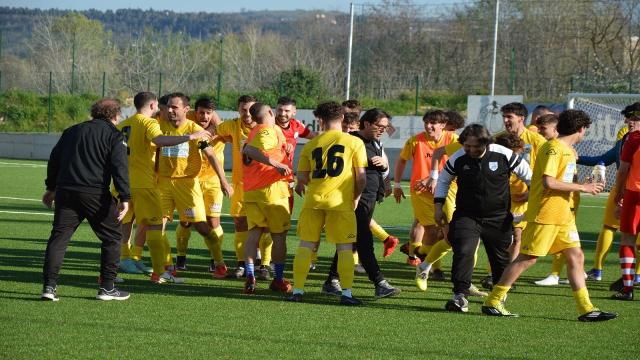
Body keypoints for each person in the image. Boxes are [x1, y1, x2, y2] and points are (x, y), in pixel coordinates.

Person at [482, 110, 617, 322]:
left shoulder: (568, 150)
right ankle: (494, 300)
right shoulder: (553, 149)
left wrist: (583, 184)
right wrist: (583, 187)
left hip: (563, 215)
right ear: (581, 129)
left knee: (576, 256)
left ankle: (586, 308)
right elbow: (549, 182)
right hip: (545, 214)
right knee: (528, 258)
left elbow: (562, 180)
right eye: (584, 131)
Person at [116, 92, 214, 284]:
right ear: (153, 106)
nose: (165, 111)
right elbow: (159, 140)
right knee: (154, 225)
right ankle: (159, 272)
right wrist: (190, 136)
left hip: (122, 182)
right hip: (144, 183)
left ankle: (125, 259)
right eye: (161, 108)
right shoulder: (149, 124)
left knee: (124, 222)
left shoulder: (124, 124)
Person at [433, 124, 532, 312]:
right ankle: (460, 296)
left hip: (498, 217)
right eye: (467, 146)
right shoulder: (458, 158)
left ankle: (498, 296)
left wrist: (531, 201)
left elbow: (530, 178)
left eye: (475, 147)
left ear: (486, 143)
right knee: (463, 250)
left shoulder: (504, 154)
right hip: (466, 215)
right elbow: (444, 180)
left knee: (500, 257)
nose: (470, 150)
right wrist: (438, 207)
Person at [41, 98, 130, 301]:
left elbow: (54, 159)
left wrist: (51, 188)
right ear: (116, 116)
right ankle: (107, 288)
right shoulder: (114, 135)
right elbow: (120, 167)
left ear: (94, 113)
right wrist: (125, 196)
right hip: (95, 193)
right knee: (113, 237)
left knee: (59, 238)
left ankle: (49, 287)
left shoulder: (72, 131)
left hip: (66, 191)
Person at [288, 101, 367, 305]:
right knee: (345, 248)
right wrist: (356, 196)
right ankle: (347, 294)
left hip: (313, 201)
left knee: (306, 245)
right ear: (342, 118)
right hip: (340, 203)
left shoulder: (312, 144)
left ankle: (297, 291)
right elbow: (361, 178)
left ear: (319, 120)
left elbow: (302, 177)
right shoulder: (354, 142)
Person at [321, 108, 401, 299]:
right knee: (363, 240)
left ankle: (331, 281)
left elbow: (382, 164)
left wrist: (386, 178)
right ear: (366, 123)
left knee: (351, 241)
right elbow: (342, 167)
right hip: (355, 197)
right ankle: (379, 282)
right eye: (379, 126)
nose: (383, 130)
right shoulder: (351, 140)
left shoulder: (375, 142)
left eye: (385, 127)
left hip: (370, 196)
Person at [156, 93, 232, 283]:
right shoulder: (159, 125)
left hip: (187, 184)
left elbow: (212, 155)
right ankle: (167, 266)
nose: (170, 110)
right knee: (158, 227)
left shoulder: (195, 129)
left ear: (185, 109)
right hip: (163, 183)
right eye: (168, 107)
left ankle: (220, 263)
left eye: (175, 107)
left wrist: (224, 181)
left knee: (203, 227)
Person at [394, 110, 456, 274]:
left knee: (449, 232)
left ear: (443, 125)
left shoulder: (453, 139)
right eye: (426, 122)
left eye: (433, 123)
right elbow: (401, 160)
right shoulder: (415, 141)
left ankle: (420, 253)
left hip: (448, 191)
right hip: (421, 193)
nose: (428, 126)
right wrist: (397, 184)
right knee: (431, 231)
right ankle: (435, 268)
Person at [241, 103, 293, 294]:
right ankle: (278, 279)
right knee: (279, 235)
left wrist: (283, 148)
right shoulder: (267, 131)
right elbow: (251, 151)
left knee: (254, 232)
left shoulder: (255, 130)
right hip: (271, 190)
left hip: (252, 190)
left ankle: (250, 276)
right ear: (271, 112)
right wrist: (276, 163)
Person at [175, 97, 229, 278]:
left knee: (214, 222)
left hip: (213, 181)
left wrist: (215, 126)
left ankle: (215, 260)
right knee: (186, 221)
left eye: (208, 113)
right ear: (194, 112)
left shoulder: (222, 128)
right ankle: (181, 258)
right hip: (192, 180)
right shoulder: (188, 121)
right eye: (201, 112)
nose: (204, 116)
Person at [216, 95, 257, 278]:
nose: (246, 113)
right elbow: (213, 130)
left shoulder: (266, 127)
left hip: (261, 185)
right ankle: (241, 264)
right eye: (243, 109)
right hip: (240, 186)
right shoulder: (233, 125)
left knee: (263, 225)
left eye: (250, 109)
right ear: (238, 109)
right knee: (240, 224)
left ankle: (263, 264)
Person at [610, 104, 640, 300]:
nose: (628, 121)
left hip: (635, 193)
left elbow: (623, 170)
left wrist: (617, 194)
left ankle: (627, 288)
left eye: (633, 117)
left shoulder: (633, 139)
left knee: (628, 238)